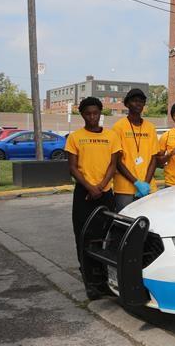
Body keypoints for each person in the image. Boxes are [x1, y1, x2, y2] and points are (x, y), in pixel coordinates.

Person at [65, 96, 121, 300]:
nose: (92, 117)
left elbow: (113, 165)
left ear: (100, 113)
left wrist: (101, 187)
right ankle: (90, 282)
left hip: (105, 193)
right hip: (84, 194)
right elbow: (72, 167)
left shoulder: (112, 136)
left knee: (105, 237)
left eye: (95, 113)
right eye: (87, 113)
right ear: (82, 114)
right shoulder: (75, 137)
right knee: (83, 236)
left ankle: (104, 281)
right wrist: (90, 187)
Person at [112, 88, 160, 211]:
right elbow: (117, 160)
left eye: (141, 101)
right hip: (125, 188)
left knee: (150, 221)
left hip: (149, 186)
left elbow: (154, 157)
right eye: (134, 101)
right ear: (127, 104)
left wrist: (146, 183)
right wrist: (136, 183)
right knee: (125, 222)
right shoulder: (119, 127)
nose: (138, 104)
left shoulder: (150, 127)